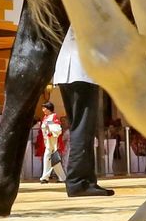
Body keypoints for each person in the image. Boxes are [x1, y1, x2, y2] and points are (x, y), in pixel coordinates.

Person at [53, 27, 113, 198]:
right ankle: (78, 182)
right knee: (83, 128)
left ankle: (86, 181)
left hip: (67, 72)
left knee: (79, 127)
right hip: (83, 72)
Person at [37, 102, 66, 184]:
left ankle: (45, 177)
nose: (43, 110)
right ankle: (62, 177)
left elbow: (57, 129)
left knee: (47, 157)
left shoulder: (53, 117)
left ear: (48, 108)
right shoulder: (46, 117)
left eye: (44, 108)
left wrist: (51, 132)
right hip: (48, 141)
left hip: (53, 141)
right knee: (54, 159)